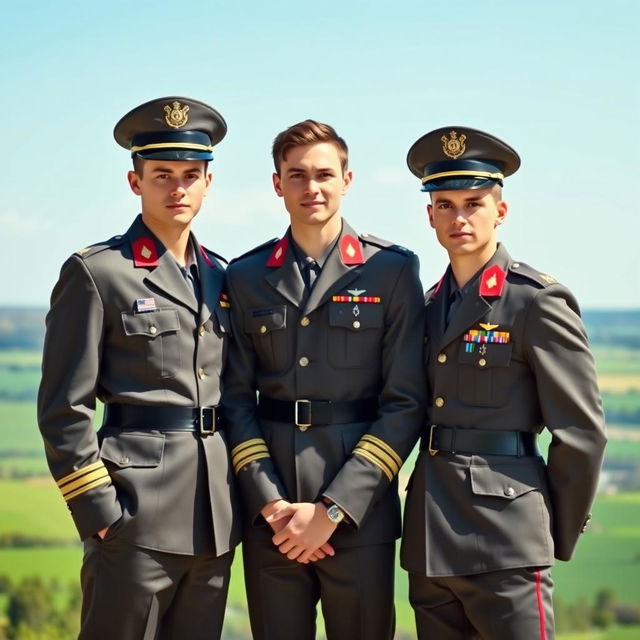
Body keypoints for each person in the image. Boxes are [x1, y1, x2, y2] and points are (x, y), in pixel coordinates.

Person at [37, 96, 240, 640]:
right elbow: (64, 407)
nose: (178, 188)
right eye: (162, 175)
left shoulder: (223, 276)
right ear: (135, 182)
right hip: (134, 513)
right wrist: (101, 512)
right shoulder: (97, 273)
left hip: (214, 519)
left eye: (190, 175)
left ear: (207, 183)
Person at [400, 126, 607, 639]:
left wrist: (546, 532)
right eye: (444, 205)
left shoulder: (536, 301)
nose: (459, 217)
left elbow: (582, 434)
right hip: (430, 537)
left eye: (473, 202)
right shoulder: (427, 307)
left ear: (501, 210)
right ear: (429, 216)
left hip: (507, 539)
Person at [222, 119, 425, 640]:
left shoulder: (392, 271)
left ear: (347, 180)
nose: (311, 187)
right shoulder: (245, 276)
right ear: (277, 184)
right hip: (274, 516)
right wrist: (271, 504)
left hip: (360, 514)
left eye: (324, 174)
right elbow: (235, 400)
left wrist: (334, 509)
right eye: (297, 175)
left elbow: (404, 403)